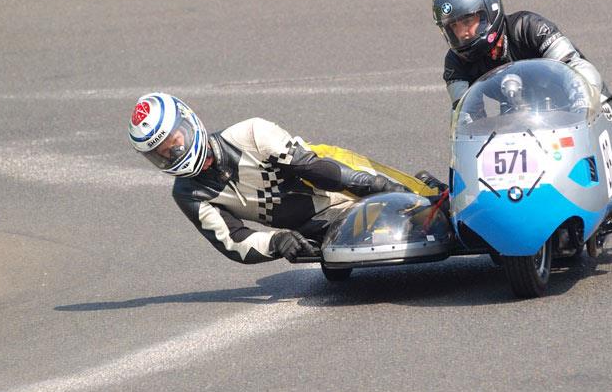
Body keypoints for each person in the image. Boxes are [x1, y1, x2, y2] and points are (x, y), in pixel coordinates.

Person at [432, 0, 612, 224]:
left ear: (489, 11)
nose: (463, 33)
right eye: (453, 27)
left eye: (468, 21)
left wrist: (582, 108)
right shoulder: (455, 63)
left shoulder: (529, 27)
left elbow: (577, 68)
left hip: (572, 105)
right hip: (515, 115)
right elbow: (465, 115)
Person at [128, 92, 438, 265]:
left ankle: (432, 189)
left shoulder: (250, 132)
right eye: (162, 154)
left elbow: (313, 168)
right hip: (315, 223)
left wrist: (378, 186)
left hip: (333, 174)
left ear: (189, 122)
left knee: (422, 201)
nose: (174, 153)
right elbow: (232, 241)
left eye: (175, 141)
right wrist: (278, 242)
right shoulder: (189, 194)